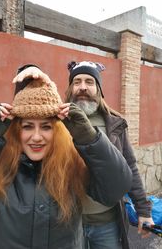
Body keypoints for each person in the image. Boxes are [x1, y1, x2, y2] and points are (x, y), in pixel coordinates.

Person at [0, 76, 132, 249]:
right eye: (28, 126)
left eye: (46, 127)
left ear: (57, 130)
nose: (36, 137)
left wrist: (89, 138)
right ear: (16, 130)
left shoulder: (72, 161)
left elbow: (115, 189)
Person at [13, 61, 154, 249]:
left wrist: (143, 209)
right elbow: (27, 113)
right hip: (68, 222)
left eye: (89, 82)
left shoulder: (116, 124)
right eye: (77, 82)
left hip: (108, 222)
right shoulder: (56, 121)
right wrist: (30, 72)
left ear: (99, 88)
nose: (82, 87)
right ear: (70, 88)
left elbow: (130, 167)